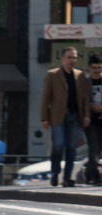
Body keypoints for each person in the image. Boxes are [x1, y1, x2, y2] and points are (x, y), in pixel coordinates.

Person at [39, 46, 91, 187]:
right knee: (58, 145)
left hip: (74, 116)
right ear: (62, 59)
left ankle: (67, 178)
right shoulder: (53, 74)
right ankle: (55, 173)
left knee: (71, 148)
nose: (72, 60)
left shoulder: (80, 75)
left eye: (74, 57)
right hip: (57, 117)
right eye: (69, 57)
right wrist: (44, 117)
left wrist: (86, 115)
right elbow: (45, 98)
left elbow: (85, 98)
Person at [84, 52, 102, 186]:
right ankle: (96, 176)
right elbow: (82, 100)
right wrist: (92, 106)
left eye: (99, 67)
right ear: (89, 67)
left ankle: (88, 172)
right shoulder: (85, 82)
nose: (97, 70)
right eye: (94, 67)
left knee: (99, 149)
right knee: (93, 147)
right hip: (90, 120)